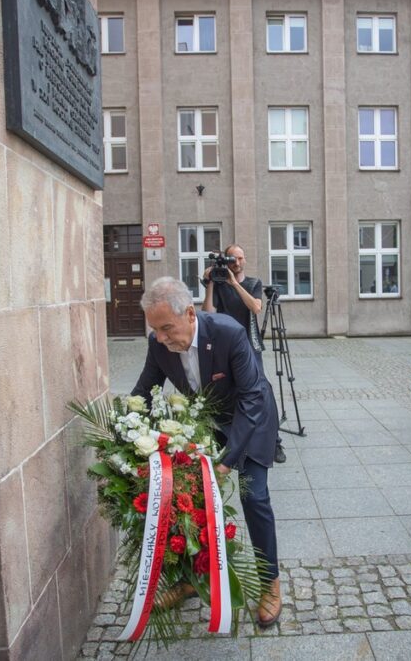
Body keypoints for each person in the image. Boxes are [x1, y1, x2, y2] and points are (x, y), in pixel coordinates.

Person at [132, 277, 283, 628]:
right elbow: (145, 388)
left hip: (252, 417)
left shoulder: (228, 333)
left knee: (255, 497)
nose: (162, 338)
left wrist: (228, 461)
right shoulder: (159, 343)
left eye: (167, 328)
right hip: (208, 423)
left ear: (189, 313)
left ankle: (270, 583)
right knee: (188, 500)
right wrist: (124, 428)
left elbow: (251, 398)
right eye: (155, 330)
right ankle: (191, 579)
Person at [203, 245, 286, 464]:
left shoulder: (253, 283)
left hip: (249, 345)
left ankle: (275, 441)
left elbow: (256, 307)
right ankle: (233, 439)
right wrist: (211, 284)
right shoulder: (218, 285)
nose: (236, 263)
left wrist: (233, 283)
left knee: (262, 392)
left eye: (240, 258)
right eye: (232, 259)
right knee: (228, 391)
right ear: (225, 261)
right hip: (225, 346)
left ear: (244, 260)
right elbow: (208, 313)